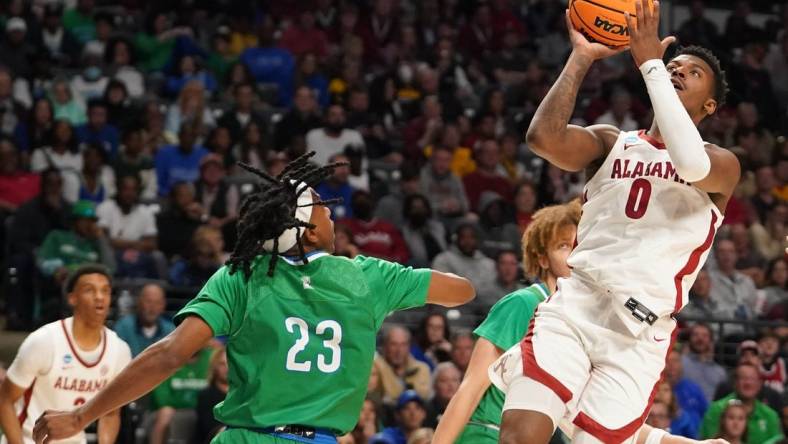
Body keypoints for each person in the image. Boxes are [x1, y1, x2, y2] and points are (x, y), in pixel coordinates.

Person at [34, 152, 475, 444]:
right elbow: (462, 290)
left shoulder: (241, 276)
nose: (331, 211)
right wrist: (380, 274)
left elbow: (170, 354)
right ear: (308, 227)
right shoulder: (367, 276)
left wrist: (79, 417)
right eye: (322, 205)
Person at [490, 3, 741, 443]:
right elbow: (542, 139)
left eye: (692, 72)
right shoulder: (611, 142)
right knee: (519, 434)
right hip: (575, 305)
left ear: (711, 104)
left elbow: (688, 160)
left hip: (640, 333)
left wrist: (650, 64)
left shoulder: (722, 165)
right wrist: (581, 57)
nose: (677, 71)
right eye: (673, 65)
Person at [434, 202, 580, 444]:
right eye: (563, 246)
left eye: (578, 245)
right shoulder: (523, 303)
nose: (574, 255)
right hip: (486, 434)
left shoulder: (573, 318)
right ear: (542, 259)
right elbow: (470, 388)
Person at [0, 265, 132, 444]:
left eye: (105, 291)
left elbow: (110, 413)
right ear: (72, 298)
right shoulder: (44, 341)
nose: (99, 297)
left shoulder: (119, 350)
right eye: (89, 290)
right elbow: (5, 400)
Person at [699, 364, 783, 442]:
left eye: (752, 379)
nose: (748, 383)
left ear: (760, 383)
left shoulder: (770, 416)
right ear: (735, 382)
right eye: (743, 378)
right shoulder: (716, 410)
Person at [113, 284, 175, 358]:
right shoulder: (123, 328)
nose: (152, 308)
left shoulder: (171, 331)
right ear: (139, 302)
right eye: (148, 301)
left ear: (163, 305)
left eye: (157, 303)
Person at [375, 326, 433, 403]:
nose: (399, 350)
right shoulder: (375, 367)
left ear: (409, 346)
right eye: (393, 344)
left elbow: (422, 397)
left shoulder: (422, 369)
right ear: (385, 346)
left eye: (403, 344)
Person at [682, 323, 730, 403]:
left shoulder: (720, 372)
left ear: (711, 341)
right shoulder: (680, 364)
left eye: (704, 336)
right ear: (689, 339)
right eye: (695, 335)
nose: (700, 338)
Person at [195, 348, 229, 444]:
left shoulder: (242, 395)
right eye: (222, 364)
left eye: (231, 363)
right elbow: (209, 428)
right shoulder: (206, 395)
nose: (227, 368)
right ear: (215, 367)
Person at [424, 362, 461, 428]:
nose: (450, 385)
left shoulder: (468, 408)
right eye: (444, 381)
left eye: (454, 380)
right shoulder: (425, 411)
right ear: (434, 385)